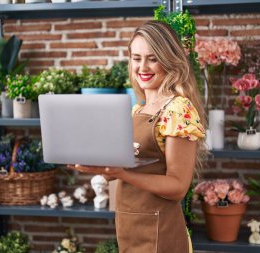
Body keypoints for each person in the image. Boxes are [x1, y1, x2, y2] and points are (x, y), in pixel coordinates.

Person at [68, 20, 206, 253]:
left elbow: (178, 186)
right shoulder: (137, 110)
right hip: (130, 226)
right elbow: (130, 169)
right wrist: (97, 164)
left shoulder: (177, 110)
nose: (143, 67)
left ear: (169, 60)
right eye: (136, 58)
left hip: (160, 233)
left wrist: (123, 173)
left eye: (153, 58)